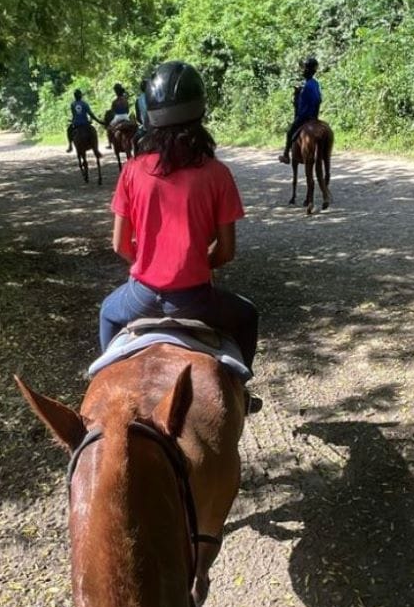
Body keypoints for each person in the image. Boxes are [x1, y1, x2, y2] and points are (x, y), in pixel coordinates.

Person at [98, 60, 259, 371]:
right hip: (196, 299)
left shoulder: (131, 171)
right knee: (248, 316)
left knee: (107, 311)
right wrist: (194, 262)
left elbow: (120, 245)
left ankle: (104, 378)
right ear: (200, 110)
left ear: (150, 114)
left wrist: (149, 263)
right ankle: (243, 390)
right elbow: (226, 251)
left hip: (141, 296)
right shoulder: (217, 174)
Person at [279, 56, 321, 164]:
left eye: (304, 69)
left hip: (304, 117)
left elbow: (301, 106)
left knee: (289, 133)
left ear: (307, 70)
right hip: (314, 117)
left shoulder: (306, 86)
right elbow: (318, 100)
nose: (303, 71)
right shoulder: (315, 84)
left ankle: (286, 155)